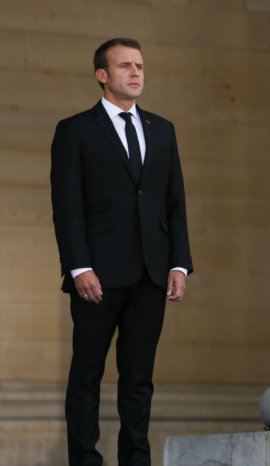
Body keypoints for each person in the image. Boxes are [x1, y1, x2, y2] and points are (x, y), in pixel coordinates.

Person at [50, 37, 193, 466]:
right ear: (102, 75)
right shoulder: (75, 130)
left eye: (140, 66)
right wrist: (79, 267)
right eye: (125, 65)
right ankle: (85, 460)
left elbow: (175, 202)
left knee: (138, 378)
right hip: (97, 276)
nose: (136, 73)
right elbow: (67, 207)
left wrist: (180, 264)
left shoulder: (162, 130)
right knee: (87, 375)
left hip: (152, 274)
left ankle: (135, 459)